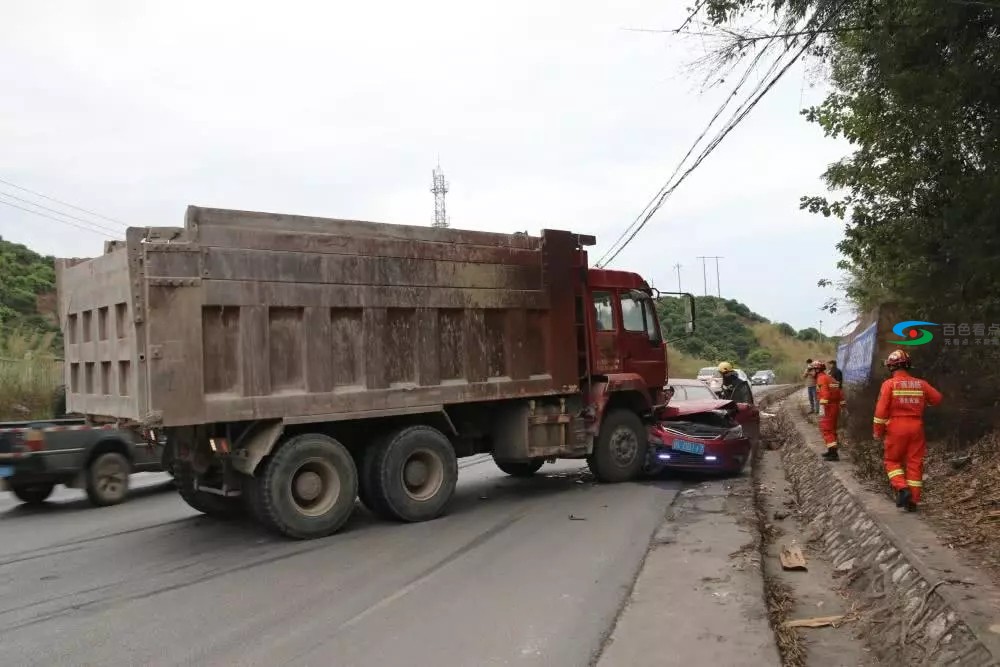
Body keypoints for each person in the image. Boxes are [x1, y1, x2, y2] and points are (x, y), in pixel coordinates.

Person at [873, 350, 943, 512]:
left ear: (891, 367)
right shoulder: (921, 384)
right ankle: (913, 501)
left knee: (892, 461)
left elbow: (880, 411)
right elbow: (937, 398)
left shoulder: (889, 384)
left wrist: (878, 431)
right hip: (916, 427)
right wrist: (924, 403)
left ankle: (902, 488)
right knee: (914, 463)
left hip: (896, 427)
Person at [816, 361, 846, 461]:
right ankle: (831, 450)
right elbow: (839, 392)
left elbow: (825, 394)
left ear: (816, 370)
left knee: (827, 430)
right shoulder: (829, 377)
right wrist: (842, 404)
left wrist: (822, 406)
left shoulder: (821, 378)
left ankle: (833, 454)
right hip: (835, 406)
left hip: (828, 407)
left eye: (811, 370)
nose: (810, 372)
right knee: (832, 429)